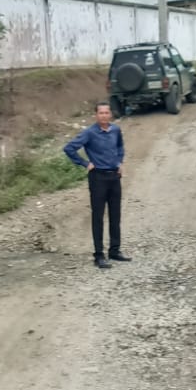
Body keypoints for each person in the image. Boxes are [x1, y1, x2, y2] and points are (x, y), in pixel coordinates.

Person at [63, 102, 131, 269]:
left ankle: (114, 250)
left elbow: (120, 146)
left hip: (114, 176)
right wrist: (85, 163)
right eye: (101, 113)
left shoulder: (115, 130)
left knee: (115, 215)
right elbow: (69, 148)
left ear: (110, 114)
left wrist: (120, 162)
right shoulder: (89, 133)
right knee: (98, 217)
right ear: (96, 115)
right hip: (98, 178)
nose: (104, 115)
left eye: (107, 112)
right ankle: (99, 255)